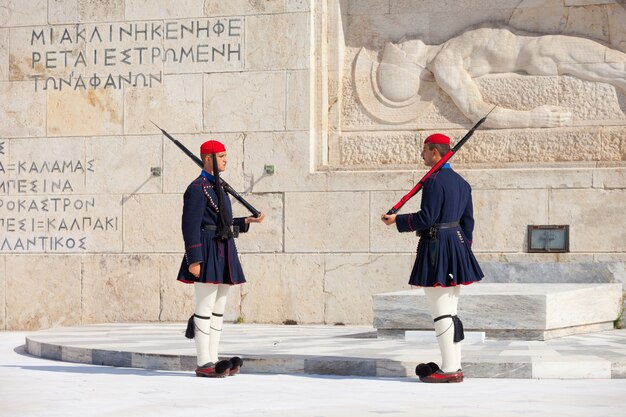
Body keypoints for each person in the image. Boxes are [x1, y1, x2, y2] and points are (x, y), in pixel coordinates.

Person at [373, 26, 626, 128]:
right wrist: (531, 119)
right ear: (412, 62)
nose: (404, 41)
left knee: (615, 66)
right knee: (616, 67)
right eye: (401, 48)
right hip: (538, 52)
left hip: (537, 47)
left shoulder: (447, 49)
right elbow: (477, 111)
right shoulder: (444, 64)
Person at [381, 133, 483, 383]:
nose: (422, 155)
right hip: (457, 246)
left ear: (435, 152)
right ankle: (453, 365)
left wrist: (398, 220)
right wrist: (462, 250)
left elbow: (427, 218)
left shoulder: (434, 181)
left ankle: (449, 371)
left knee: (441, 312)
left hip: (438, 247)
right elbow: (468, 223)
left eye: (425, 150)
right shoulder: (462, 182)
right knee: (451, 311)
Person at [177, 139, 264, 378]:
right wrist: (194, 259)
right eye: (222, 156)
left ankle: (214, 358)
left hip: (223, 248)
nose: (226, 160)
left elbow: (222, 222)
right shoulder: (197, 188)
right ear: (208, 159)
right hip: (206, 249)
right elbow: (191, 225)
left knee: (218, 308)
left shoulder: (218, 186)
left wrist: (246, 221)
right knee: (204, 307)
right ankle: (203, 361)